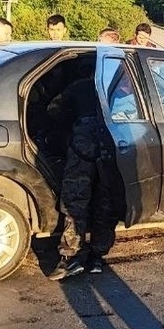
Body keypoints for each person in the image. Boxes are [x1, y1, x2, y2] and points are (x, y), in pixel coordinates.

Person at [47, 73, 119, 279]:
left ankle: (70, 257)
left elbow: (54, 113)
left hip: (82, 147)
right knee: (105, 202)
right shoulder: (116, 86)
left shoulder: (75, 86)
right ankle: (97, 256)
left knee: (75, 202)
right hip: (111, 145)